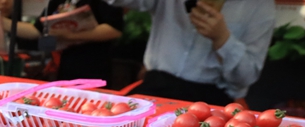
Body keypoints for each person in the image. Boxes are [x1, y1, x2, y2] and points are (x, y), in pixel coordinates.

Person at [103, 0, 275, 104]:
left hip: (212, 99)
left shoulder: (259, 6)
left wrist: (222, 39)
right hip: (155, 87)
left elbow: (247, 75)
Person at [0, 0, 124, 81]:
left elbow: (114, 29)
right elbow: (37, 30)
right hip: (65, 65)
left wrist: (70, 36)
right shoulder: (58, 1)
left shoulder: (105, 2)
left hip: (94, 65)